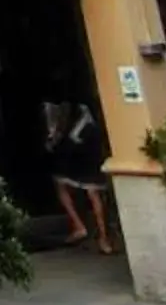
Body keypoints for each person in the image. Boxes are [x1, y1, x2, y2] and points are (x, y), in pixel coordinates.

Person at [42, 100, 117, 254]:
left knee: (61, 184)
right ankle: (103, 239)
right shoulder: (90, 105)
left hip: (78, 148)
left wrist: (52, 141)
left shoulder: (60, 106)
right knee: (94, 192)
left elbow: (56, 132)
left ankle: (79, 225)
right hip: (93, 147)